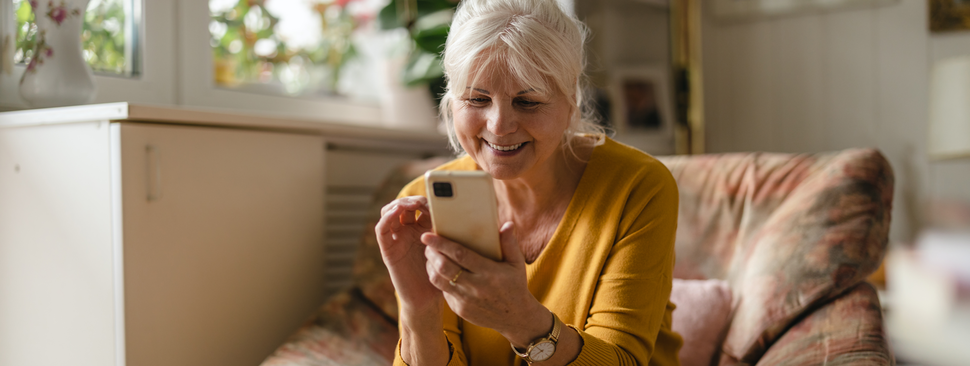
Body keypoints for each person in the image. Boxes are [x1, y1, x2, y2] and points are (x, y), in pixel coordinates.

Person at [375, 0, 682, 365]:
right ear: (451, 99)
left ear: (570, 99)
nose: (499, 125)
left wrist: (522, 320)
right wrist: (420, 310)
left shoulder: (637, 187)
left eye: (528, 102)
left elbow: (623, 360)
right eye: (477, 98)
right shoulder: (422, 202)